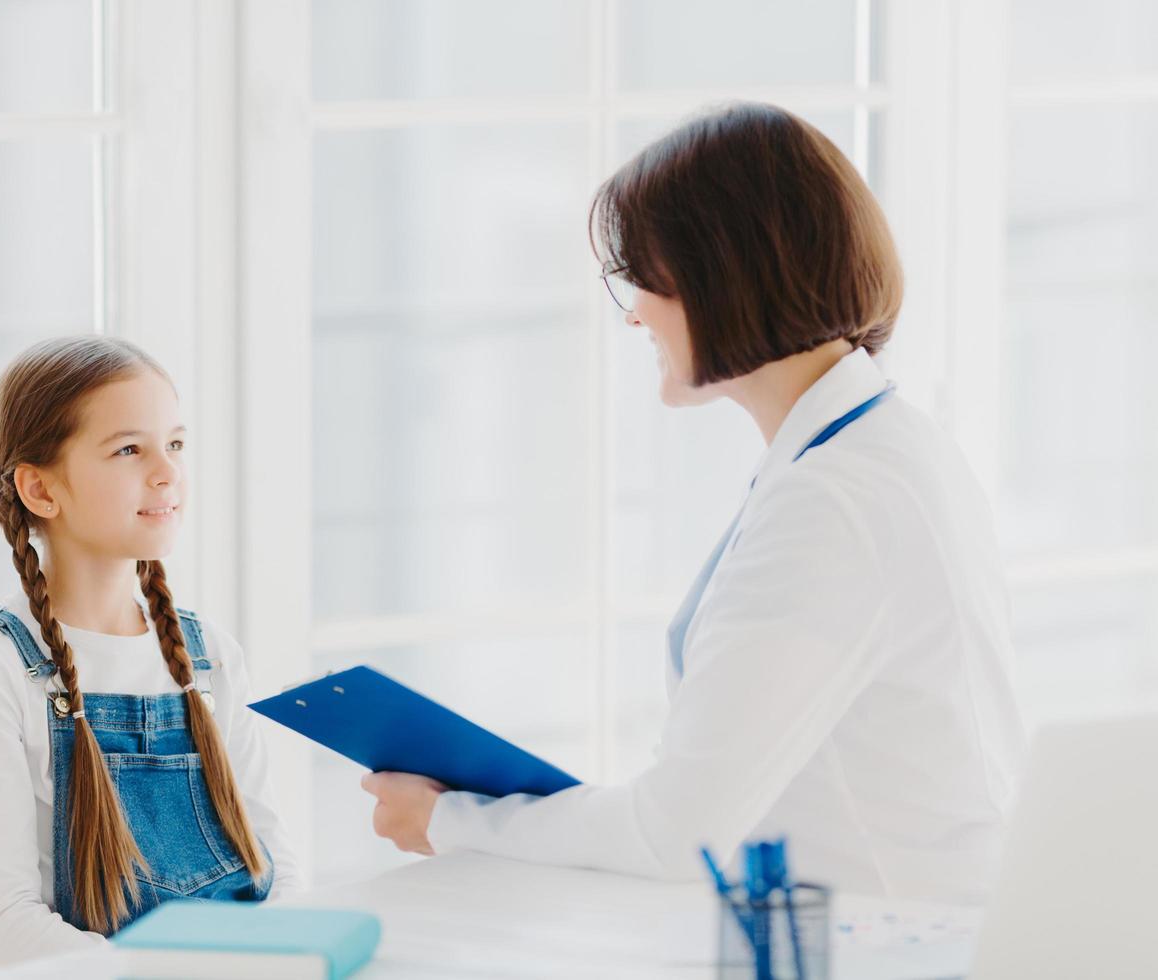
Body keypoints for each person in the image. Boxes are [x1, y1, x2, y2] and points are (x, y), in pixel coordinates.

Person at [362, 102, 1025, 905]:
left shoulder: (832, 501)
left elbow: (675, 830)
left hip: (883, 943)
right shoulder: (881, 447)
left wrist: (453, 820)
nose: (633, 311)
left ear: (723, 276)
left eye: (643, 278)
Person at [0, 336, 299, 965]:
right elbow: (8, 927)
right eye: (129, 449)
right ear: (41, 490)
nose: (167, 472)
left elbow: (275, 868)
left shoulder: (209, 654)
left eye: (175, 444)